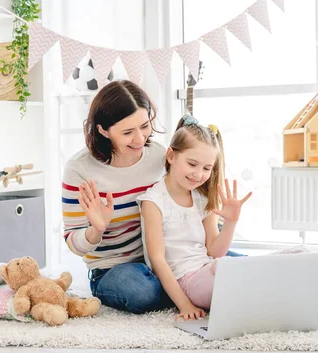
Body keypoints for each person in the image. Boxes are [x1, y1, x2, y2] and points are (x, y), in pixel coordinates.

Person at [62, 80, 242, 314]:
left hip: (174, 258)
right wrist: (97, 229)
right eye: (127, 132)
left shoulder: (158, 154)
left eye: (145, 126)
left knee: (242, 265)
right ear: (103, 130)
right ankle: (188, 290)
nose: (140, 139)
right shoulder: (79, 170)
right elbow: (73, 243)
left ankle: (192, 285)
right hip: (115, 267)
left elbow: (186, 188)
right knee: (142, 292)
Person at [137, 116, 252, 321]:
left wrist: (231, 222)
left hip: (208, 268)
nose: (199, 174)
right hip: (186, 280)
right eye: (192, 164)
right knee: (235, 272)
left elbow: (215, 251)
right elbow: (158, 261)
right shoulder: (153, 201)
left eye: (207, 168)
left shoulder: (201, 199)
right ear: (171, 156)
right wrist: (184, 304)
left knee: (242, 267)